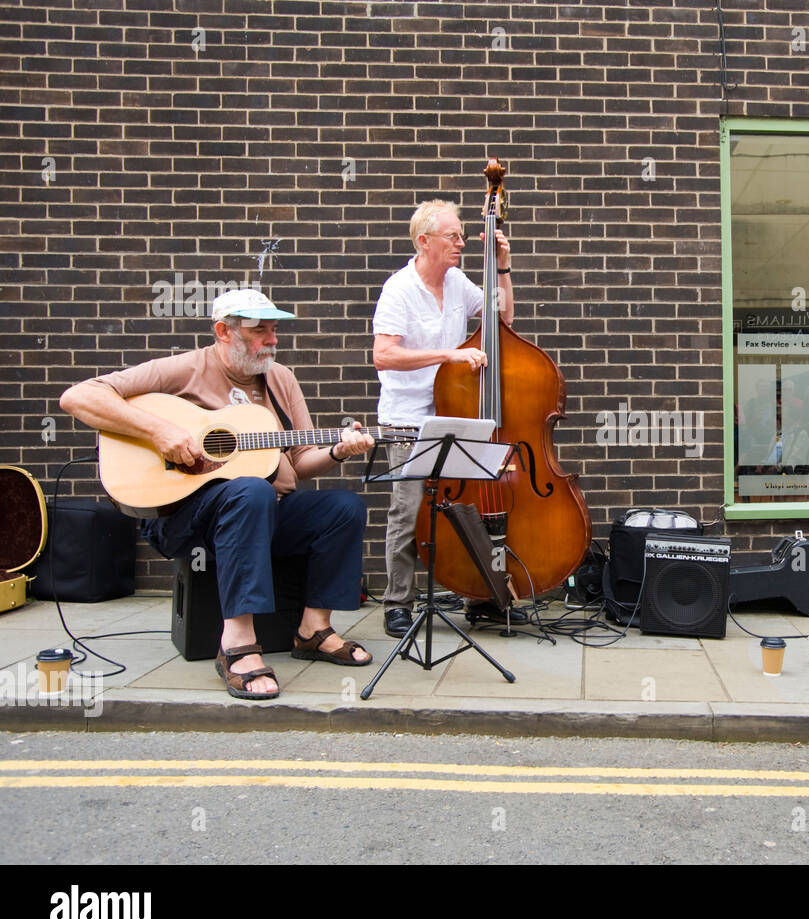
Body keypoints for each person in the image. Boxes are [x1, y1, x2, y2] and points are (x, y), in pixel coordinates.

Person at [60, 288, 374, 700]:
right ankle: (237, 643)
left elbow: (299, 464)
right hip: (183, 517)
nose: (272, 340)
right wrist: (159, 431)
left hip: (260, 512)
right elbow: (78, 396)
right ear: (223, 331)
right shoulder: (184, 369)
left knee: (343, 507)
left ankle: (313, 629)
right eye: (258, 330)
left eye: (274, 329)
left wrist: (336, 451)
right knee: (249, 491)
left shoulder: (280, 380)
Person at [371, 199, 514, 636]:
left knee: (471, 506)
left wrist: (502, 269)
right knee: (408, 509)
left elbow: (502, 319)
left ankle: (481, 595)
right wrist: (448, 354)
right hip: (407, 418)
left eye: (463, 235)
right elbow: (383, 355)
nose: (462, 243)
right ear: (424, 240)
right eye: (453, 236)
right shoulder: (399, 288)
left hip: (453, 411)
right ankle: (398, 603)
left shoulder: (457, 282)